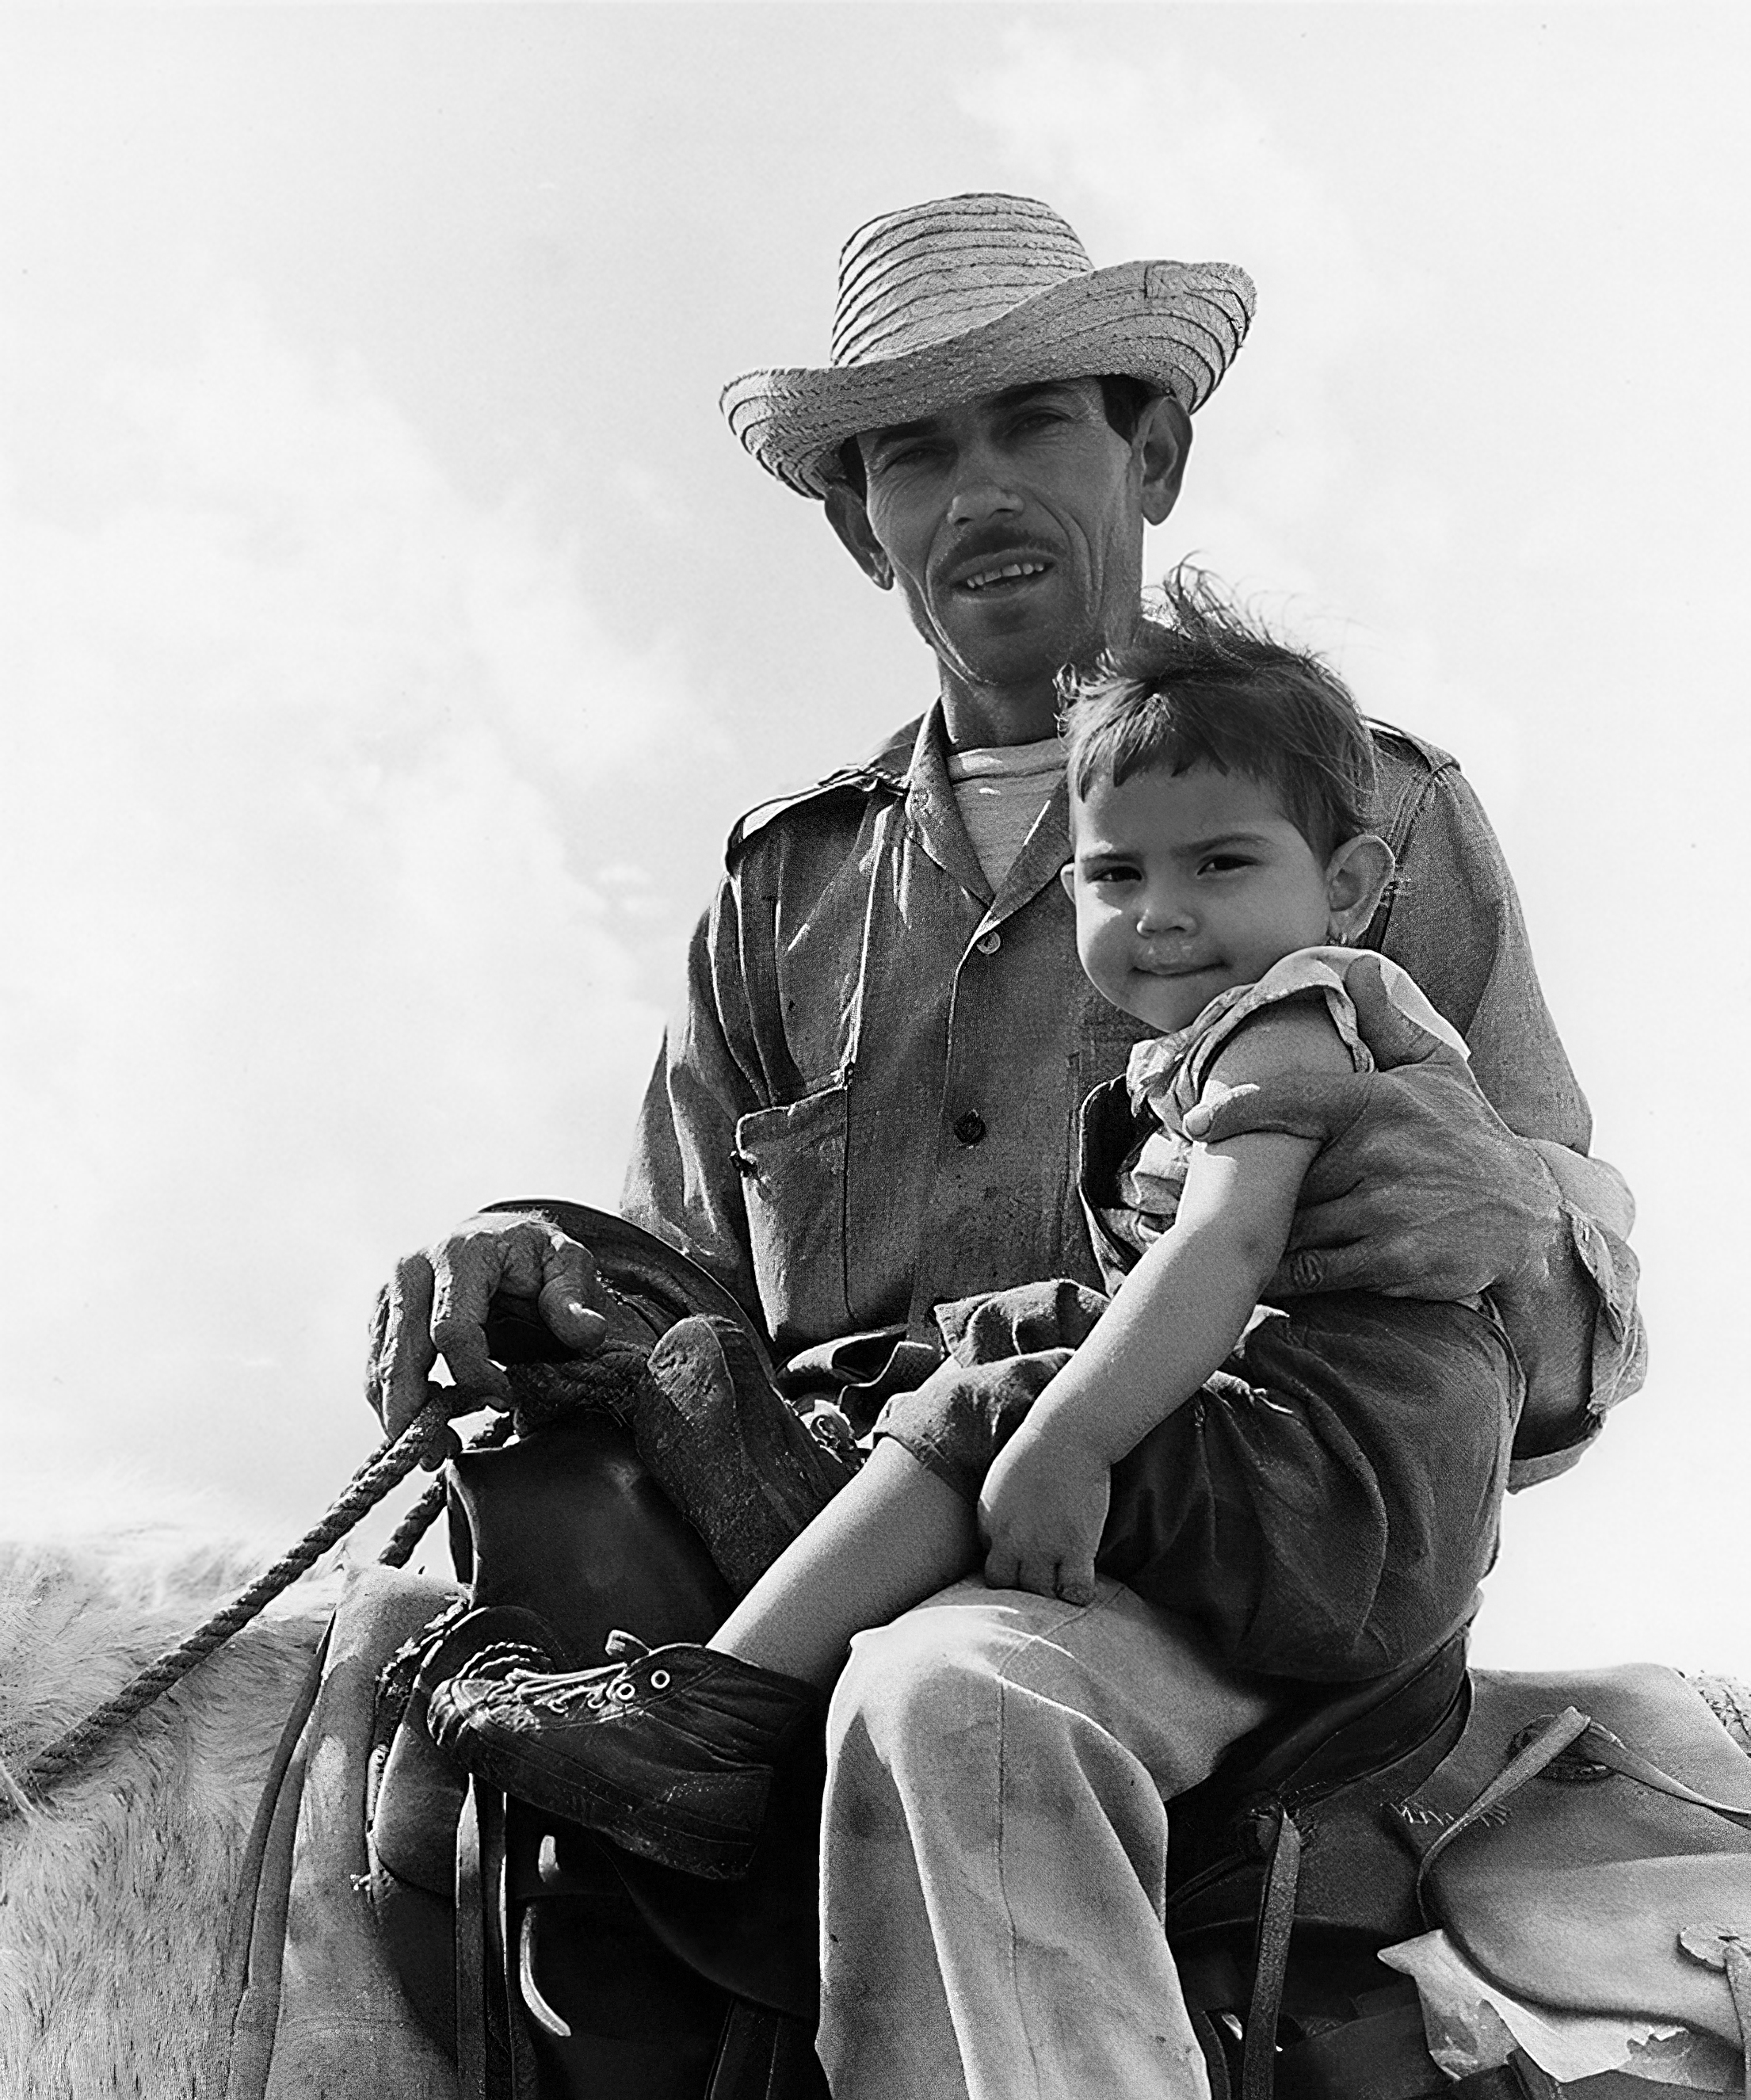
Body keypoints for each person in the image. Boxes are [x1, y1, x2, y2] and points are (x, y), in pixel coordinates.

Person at [367, 193, 1644, 2097]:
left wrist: (1514, 1229)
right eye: (912, 450)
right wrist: (510, 1247)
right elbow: (675, 1272)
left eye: (1030, 421)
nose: (975, 489)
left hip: (1228, 1564)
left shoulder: (1365, 808)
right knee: (359, 1689)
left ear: (1153, 450)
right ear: (854, 519)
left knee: (951, 1696)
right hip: (819, 1515)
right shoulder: (777, 888)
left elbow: (1577, 1295)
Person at [426, 583, 1528, 1903]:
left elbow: (1218, 1257)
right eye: (1116, 876)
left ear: (1346, 885)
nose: (1161, 913)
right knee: (1013, 1331)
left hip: (1339, 1485)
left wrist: (1063, 1438)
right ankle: (832, 1482)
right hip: (1297, 1455)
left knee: (1021, 1389)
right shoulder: (787, 882)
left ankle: (715, 1721)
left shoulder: (1286, 1020)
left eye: (1219, 863)